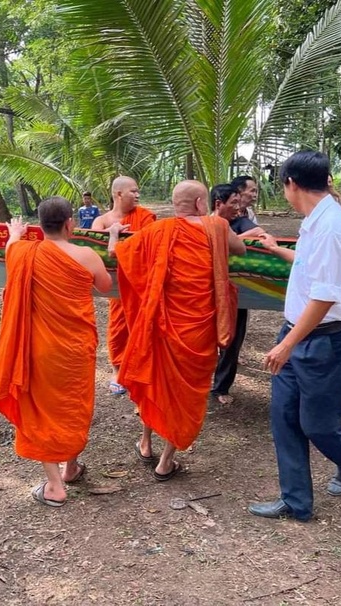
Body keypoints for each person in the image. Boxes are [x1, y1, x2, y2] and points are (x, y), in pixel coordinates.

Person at [249, 151, 341, 522]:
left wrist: (286, 344)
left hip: (325, 339)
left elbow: (326, 294)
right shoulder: (315, 221)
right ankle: (296, 502)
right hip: (298, 332)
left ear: (290, 183)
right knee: (284, 418)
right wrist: (275, 248)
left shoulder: (333, 225)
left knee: (317, 423)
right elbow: (308, 264)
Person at [106, 180, 245, 481]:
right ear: (198, 204)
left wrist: (115, 235)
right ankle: (165, 462)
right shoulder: (217, 226)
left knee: (154, 379)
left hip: (163, 326)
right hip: (198, 330)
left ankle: (145, 443)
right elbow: (241, 248)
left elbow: (120, 255)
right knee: (185, 394)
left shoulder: (158, 231)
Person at [0, 197, 112, 507]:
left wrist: (15, 232)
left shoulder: (23, 252)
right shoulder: (86, 255)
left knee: (41, 411)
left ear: (40, 226)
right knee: (73, 405)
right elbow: (106, 286)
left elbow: (11, 247)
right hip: (75, 350)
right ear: (71, 223)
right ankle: (69, 469)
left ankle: (56, 483)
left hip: (40, 350)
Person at [92, 176, 156, 394]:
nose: (138, 195)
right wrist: (112, 235)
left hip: (141, 281)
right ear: (118, 194)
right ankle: (117, 370)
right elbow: (97, 249)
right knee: (118, 327)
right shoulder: (102, 220)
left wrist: (117, 241)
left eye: (138, 191)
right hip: (117, 286)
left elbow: (149, 245)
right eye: (133, 191)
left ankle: (141, 368)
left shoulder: (146, 217)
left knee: (144, 325)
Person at [209, 184, 264, 405]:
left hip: (237, 292)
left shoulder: (241, 223)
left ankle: (221, 386)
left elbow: (259, 233)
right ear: (218, 204)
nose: (238, 207)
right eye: (233, 202)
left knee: (232, 339)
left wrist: (230, 237)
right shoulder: (202, 222)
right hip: (207, 289)